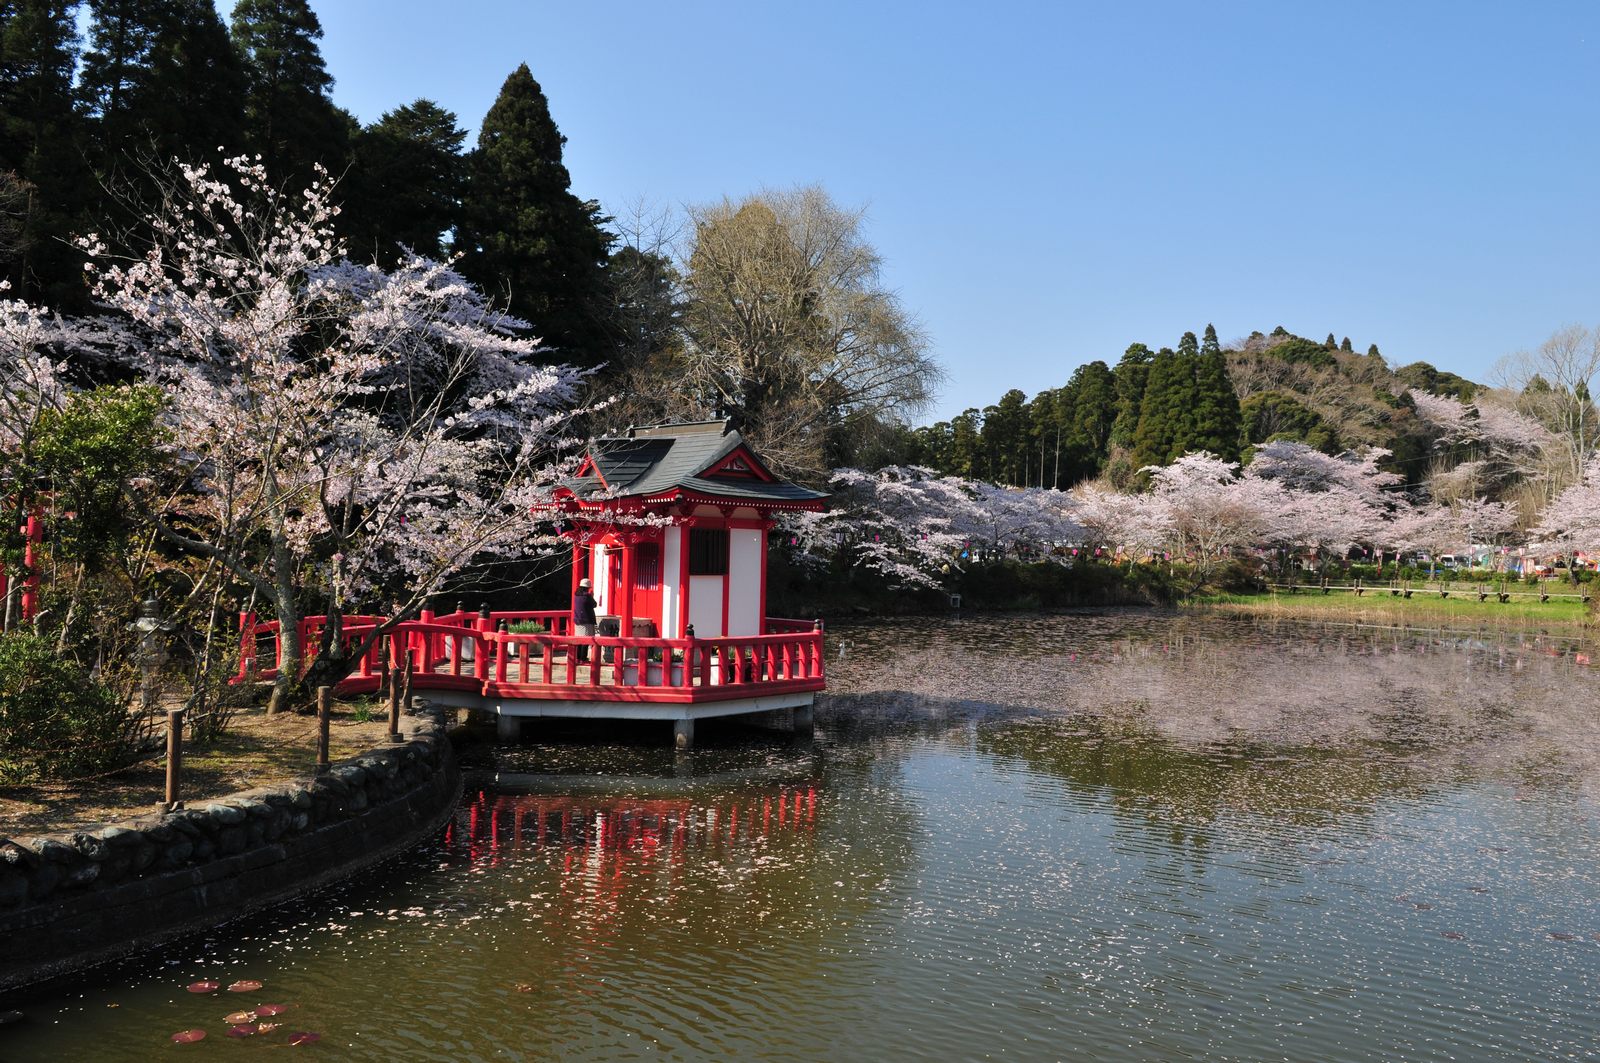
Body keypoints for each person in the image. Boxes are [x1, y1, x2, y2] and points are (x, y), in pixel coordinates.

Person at [572, 577, 597, 664]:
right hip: (586, 620)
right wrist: (592, 596)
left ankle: (577, 658)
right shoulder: (587, 596)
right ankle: (583, 658)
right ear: (587, 588)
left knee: (579, 640)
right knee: (586, 640)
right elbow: (594, 604)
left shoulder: (576, 595)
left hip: (578, 620)